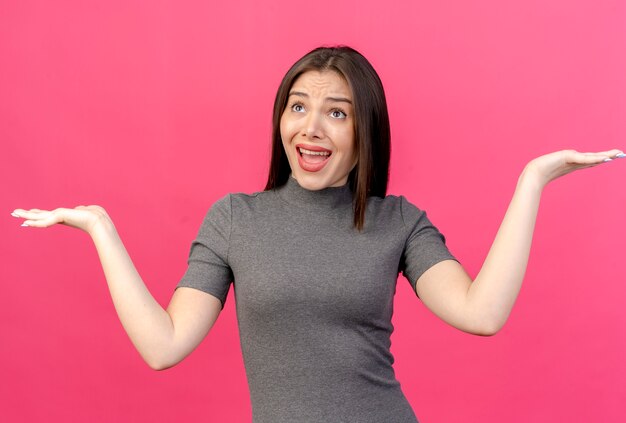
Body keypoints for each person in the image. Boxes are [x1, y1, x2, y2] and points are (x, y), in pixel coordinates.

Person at [11, 46, 624, 422]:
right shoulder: (234, 220)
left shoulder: (398, 222)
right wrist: (101, 229)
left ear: (366, 133)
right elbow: (163, 346)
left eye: (337, 112)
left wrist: (533, 180)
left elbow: (481, 313)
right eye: (298, 106)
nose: (312, 128)